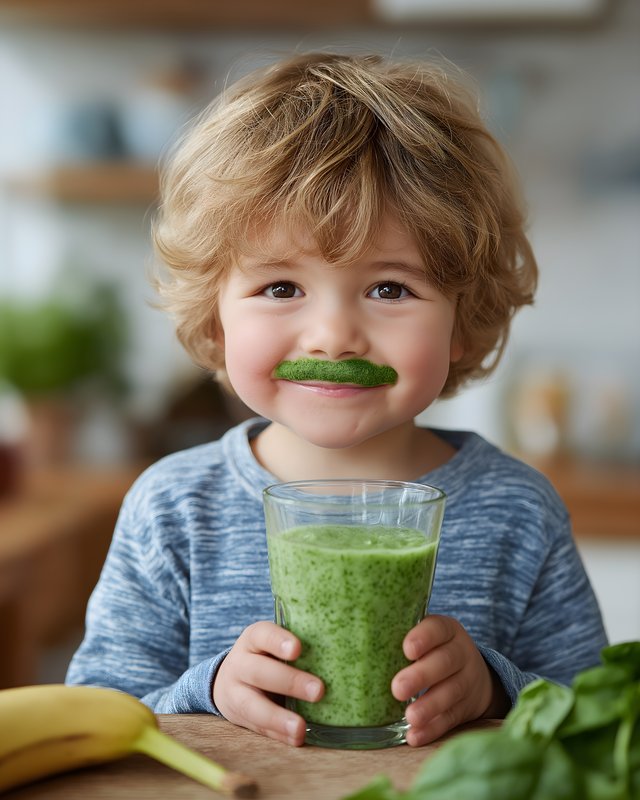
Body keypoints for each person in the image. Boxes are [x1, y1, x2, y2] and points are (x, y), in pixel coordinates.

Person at [66, 52, 607, 748]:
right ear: (215, 315)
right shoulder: (173, 509)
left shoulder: (518, 512)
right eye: (281, 287)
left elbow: (602, 720)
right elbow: (94, 719)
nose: (331, 336)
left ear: (462, 327)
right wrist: (206, 691)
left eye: (389, 289)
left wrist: (497, 687)